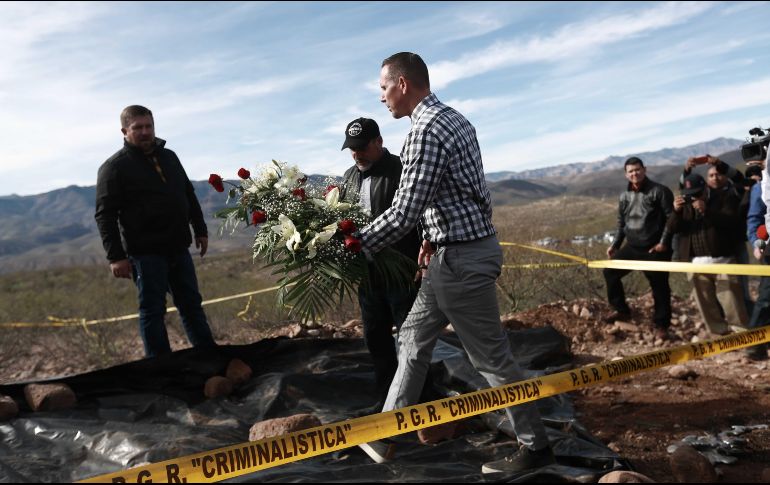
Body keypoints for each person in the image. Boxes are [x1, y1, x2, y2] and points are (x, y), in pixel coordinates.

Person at [356, 52, 554, 475]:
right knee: (411, 337)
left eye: (383, 88)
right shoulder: (456, 119)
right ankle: (388, 431)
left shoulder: (425, 132)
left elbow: (406, 209)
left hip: (461, 260)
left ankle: (536, 445)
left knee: (491, 360)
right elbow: (458, 193)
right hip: (449, 255)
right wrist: (429, 238)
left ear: (403, 84)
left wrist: (356, 243)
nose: (382, 97)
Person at [95, 105, 216, 358]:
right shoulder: (114, 167)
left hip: (178, 247)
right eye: (138, 128)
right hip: (145, 252)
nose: (145, 132)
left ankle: (208, 358)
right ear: (124, 131)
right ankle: (160, 368)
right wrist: (116, 257)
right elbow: (105, 216)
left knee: (191, 305)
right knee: (153, 312)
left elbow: (188, 194)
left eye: (148, 126)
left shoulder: (169, 157)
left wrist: (200, 230)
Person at [338, 117, 421, 408]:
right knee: (375, 337)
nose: (357, 154)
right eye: (352, 148)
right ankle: (387, 399)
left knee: (410, 341)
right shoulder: (348, 177)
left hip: (402, 272)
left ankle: (422, 399)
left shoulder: (401, 171)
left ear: (379, 142)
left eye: (362, 147)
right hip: (368, 276)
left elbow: (415, 219)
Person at [666, 171, 748, 335]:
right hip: (697, 264)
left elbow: (732, 222)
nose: (694, 198)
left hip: (723, 260)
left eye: (697, 194)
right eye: (689, 195)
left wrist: (707, 211)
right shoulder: (685, 207)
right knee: (706, 304)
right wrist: (676, 211)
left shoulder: (724, 197)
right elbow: (672, 228)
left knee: (732, 302)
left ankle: (743, 336)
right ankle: (720, 337)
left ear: (705, 189)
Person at [603, 157, 674, 340]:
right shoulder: (624, 196)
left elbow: (672, 220)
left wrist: (664, 243)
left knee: (659, 286)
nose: (634, 174)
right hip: (633, 246)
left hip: (655, 248)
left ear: (645, 169)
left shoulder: (660, 191)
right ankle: (622, 310)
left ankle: (662, 325)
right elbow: (622, 224)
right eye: (631, 171)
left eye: (637, 170)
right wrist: (615, 245)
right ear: (626, 174)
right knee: (610, 272)